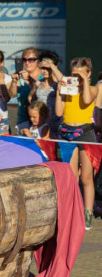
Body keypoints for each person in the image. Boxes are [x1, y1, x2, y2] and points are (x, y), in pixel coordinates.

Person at [49, 57, 98, 230]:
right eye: (74, 75)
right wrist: (59, 93)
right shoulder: (68, 90)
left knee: (86, 177)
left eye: (80, 75)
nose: (76, 79)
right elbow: (58, 111)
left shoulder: (92, 89)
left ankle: (88, 213)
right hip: (67, 134)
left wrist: (84, 81)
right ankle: (70, 211)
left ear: (89, 73)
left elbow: (86, 101)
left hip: (86, 134)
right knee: (70, 177)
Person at [9, 47, 41, 130]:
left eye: (31, 60)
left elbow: (40, 95)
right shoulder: (20, 76)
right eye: (24, 60)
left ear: (37, 61)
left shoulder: (43, 76)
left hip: (41, 120)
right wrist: (14, 82)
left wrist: (29, 79)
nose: (27, 63)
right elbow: (12, 95)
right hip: (23, 120)